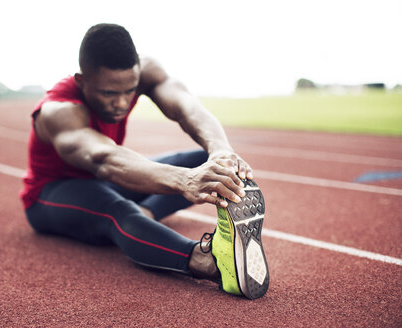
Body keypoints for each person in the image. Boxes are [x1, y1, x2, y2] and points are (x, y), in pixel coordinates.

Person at [20, 23, 269, 299]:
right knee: (119, 211)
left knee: (203, 160)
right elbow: (104, 158)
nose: (122, 103)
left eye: (129, 91)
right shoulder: (59, 110)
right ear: (82, 81)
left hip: (104, 180)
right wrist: (185, 181)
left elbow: (188, 107)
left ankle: (147, 215)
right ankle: (207, 262)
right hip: (50, 194)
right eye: (109, 94)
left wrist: (221, 150)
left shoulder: (146, 73)